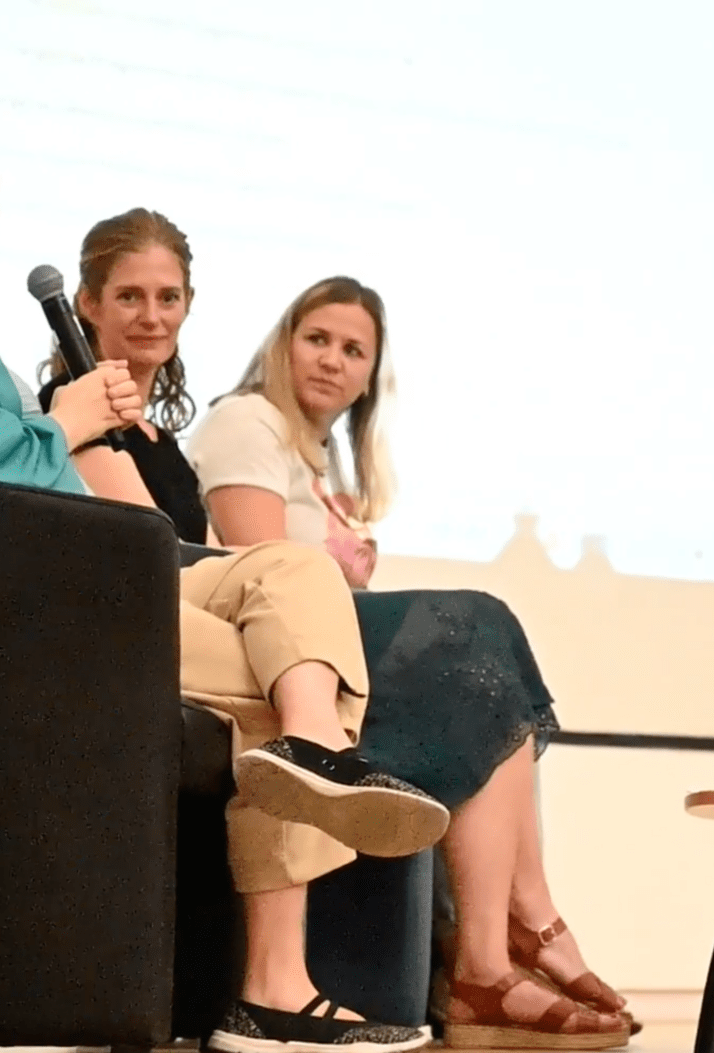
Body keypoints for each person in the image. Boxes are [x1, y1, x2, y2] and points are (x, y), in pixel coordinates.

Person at [0, 56, 453, 1053]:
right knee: (277, 679)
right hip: (30, 605)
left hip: (79, 577)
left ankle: (319, 753)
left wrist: (60, 428)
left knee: (296, 571)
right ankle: (274, 984)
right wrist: (67, 419)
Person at [42, 209, 636, 1049]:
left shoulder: (157, 432)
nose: (151, 315)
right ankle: (507, 944)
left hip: (240, 614)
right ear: (87, 305)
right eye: (130, 296)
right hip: (192, 629)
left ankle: (501, 946)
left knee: (488, 648)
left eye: (168, 296)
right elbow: (171, 557)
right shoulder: (79, 418)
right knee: (473, 629)